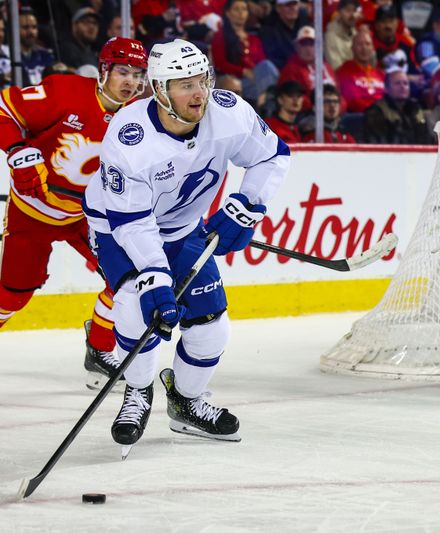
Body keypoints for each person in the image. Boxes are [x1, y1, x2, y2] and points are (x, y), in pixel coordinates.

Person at [83, 38, 289, 453]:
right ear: (160, 90)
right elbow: (131, 222)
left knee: (212, 327)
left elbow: (272, 156)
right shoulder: (129, 136)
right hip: (119, 229)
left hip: (181, 227)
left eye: (203, 80)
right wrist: (155, 277)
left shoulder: (228, 113)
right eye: (184, 84)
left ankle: (186, 401)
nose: (199, 93)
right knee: (136, 307)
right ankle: (138, 391)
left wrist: (247, 205)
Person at [0, 38, 148, 395]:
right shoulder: (65, 92)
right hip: (34, 212)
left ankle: (99, 346)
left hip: (88, 216)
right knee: (14, 292)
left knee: (128, 276)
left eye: (138, 75)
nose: (131, 83)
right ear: (104, 70)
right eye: (123, 72)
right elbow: (0, 111)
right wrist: (17, 151)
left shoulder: (138, 116)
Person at [362, 70, 432, 145]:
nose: (402, 87)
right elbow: (379, 140)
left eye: (405, 83)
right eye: (397, 83)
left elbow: (424, 134)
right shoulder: (376, 110)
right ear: (386, 88)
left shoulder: (415, 108)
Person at [336, 29, 385, 113]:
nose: (364, 48)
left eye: (367, 44)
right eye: (359, 44)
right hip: (359, 117)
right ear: (352, 48)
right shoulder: (344, 71)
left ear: (372, 48)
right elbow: (352, 99)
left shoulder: (380, 74)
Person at [324, 0, 359, 70]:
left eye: (354, 11)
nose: (352, 15)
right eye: (348, 10)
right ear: (339, 13)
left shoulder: (357, 34)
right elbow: (336, 68)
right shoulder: (331, 37)